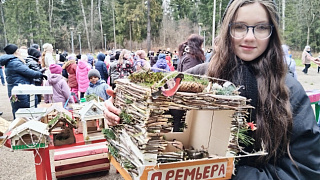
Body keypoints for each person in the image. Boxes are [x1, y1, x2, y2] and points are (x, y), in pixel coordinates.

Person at [104, 0, 320, 179]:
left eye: (261, 27)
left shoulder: (288, 91)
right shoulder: (201, 76)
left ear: (272, 33)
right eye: (239, 26)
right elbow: (153, 106)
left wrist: (230, 174)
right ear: (227, 29)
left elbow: (305, 171)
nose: (250, 36)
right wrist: (118, 111)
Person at [0, 44, 46, 119]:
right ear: (15, 52)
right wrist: (40, 74)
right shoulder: (15, 63)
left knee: (18, 110)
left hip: (16, 89)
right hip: (21, 90)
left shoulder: (11, 62)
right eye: (18, 50)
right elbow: (28, 72)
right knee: (25, 111)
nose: (19, 52)